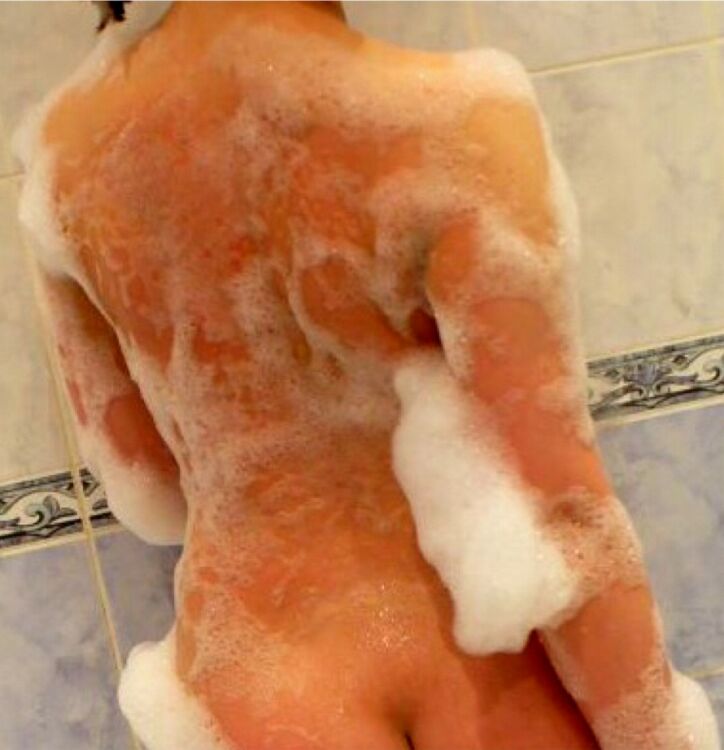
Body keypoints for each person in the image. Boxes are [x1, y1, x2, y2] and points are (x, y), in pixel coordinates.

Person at [20, 2, 717, 748]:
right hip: (481, 668)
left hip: (256, 684)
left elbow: (147, 475)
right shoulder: (453, 122)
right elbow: (559, 509)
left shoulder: (67, 169)